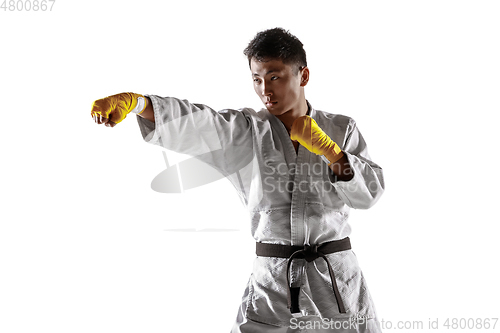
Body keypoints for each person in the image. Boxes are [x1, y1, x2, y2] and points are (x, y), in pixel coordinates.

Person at [91, 28, 385, 333]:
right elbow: (200, 123)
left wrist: (332, 153)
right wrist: (138, 103)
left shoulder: (341, 129)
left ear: (303, 75)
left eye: (274, 77)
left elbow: (369, 194)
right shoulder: (247, 131)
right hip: (273, 283)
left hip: (336, 282)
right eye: (256, 79)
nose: (265, 90)